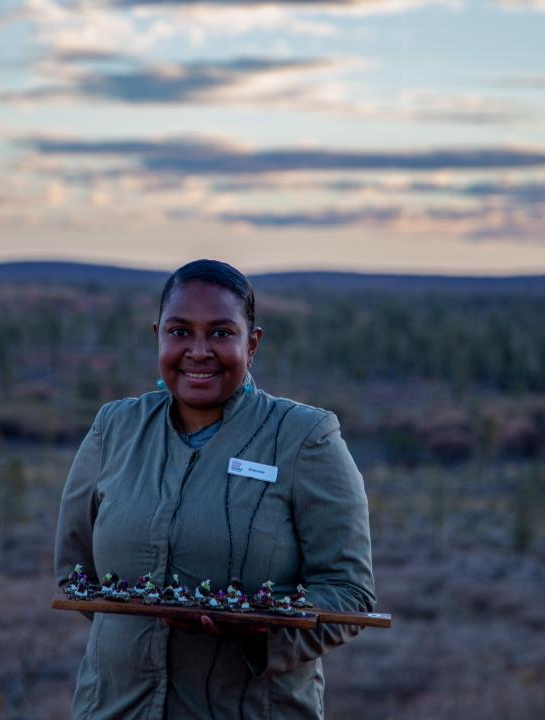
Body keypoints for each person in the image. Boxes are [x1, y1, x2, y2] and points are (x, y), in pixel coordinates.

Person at [55, 259, 375, 719]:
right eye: (180, 331)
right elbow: (76, 577)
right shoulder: (115, 427)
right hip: (113, 708)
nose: (199, 351)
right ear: (158, 336)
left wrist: (256, 631)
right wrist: (146, 630)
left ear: (253, 343)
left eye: (221, 333)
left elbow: (348, 591)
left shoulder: (305, 437)